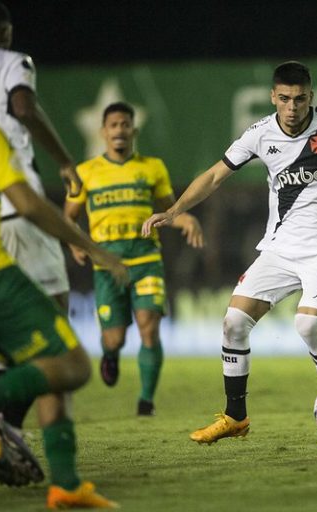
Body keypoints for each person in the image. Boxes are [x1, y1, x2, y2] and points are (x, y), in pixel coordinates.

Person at [142, 60, 317, 450]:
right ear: (273, 98)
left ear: (311, 97)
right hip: (280, 248)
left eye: (300, 99)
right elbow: (215, 175)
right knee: (233, 322)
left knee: (308, 326)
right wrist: (175, 210)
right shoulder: (260, 135)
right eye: (284, 99)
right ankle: (236, 416)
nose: (293, 107)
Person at [0, 55, 123, 508]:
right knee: (74, 364)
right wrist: (94, 249)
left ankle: (66, 485)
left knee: (45, 362)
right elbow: (29, 204)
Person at [0, 0, 82, 445]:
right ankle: (1, 419)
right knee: (56, 324)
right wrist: (65, 162)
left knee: (3, 328)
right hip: (19, 210)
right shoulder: (14, 63)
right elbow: (24, 106)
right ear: (6, 32)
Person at [64, 102, 204, 416]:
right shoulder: (85, 173)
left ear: (133, 131)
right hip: (106, 266)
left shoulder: (152, 167)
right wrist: (73, 241)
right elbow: (69, 216)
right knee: (113, 338)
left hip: (146, 261)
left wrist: (186, 219)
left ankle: (145, 402)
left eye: (125, 125)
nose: (119, 130)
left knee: (149, 328)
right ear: (103, 132)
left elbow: (169, 212)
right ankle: (110, 355)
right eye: (113, 125)